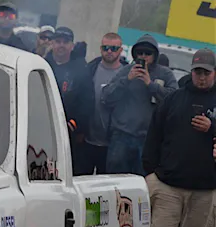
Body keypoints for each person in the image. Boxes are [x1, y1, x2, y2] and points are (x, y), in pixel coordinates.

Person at [142, 48, 216, 227]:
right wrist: (151, 172)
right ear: (191, 72)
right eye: (197, 72)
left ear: (215, 73)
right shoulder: (173, 98)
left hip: (205, 187)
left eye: (206, 73)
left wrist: (212, 127)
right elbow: (154, 135)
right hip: (169, 184)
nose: (201, 77)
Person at [102, 34, 178, 175]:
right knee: (115, 179)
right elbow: (106, 96)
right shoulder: (126, 71)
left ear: (155, 55)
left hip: (148, 139)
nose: (143, 56)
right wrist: (127, 80)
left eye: (147, 53)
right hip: (121, 136)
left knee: (142, 181)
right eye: (140, 53)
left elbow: (174, 100)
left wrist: (151, 84)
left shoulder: (165, 74)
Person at [45, 27, 95, 175]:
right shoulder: (42, 64)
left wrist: (73, 125)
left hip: (67, 134)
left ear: (72, 45)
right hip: (42, 129)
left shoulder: (82, 70)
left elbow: (87, 103)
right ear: (52, 43)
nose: (61, 45)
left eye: (65, 42)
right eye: (58, 41)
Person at [79, 33, 127, 175]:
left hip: (113, 143)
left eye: (114, 48)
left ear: (120, 50)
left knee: (105, 185)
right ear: (101, 49)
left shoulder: (127, 73)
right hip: (87, 139)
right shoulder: (90, 69)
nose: (109, 51)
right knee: (82, 181)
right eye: (106, 48)